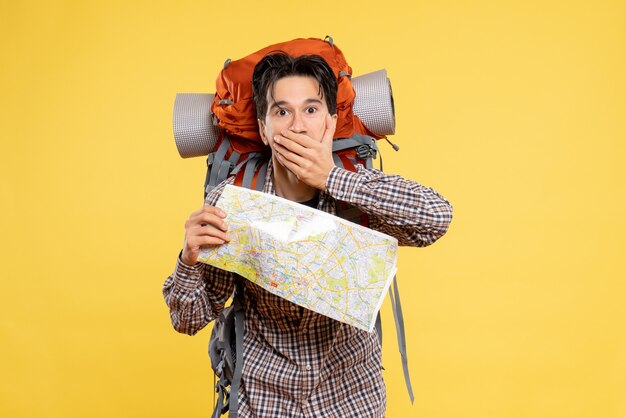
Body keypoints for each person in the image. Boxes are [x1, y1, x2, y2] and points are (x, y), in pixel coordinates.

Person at [163, 52, 453, 417]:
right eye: (282, 112)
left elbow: (435, 219)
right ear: (264, 129)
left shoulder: (356, 193)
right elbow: (187, 320)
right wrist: (188, 261)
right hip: (264, 401)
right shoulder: (236, 202)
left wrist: (330, 178)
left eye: (311, 110)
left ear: (330, 124)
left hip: (351, 400)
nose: (297, 126)